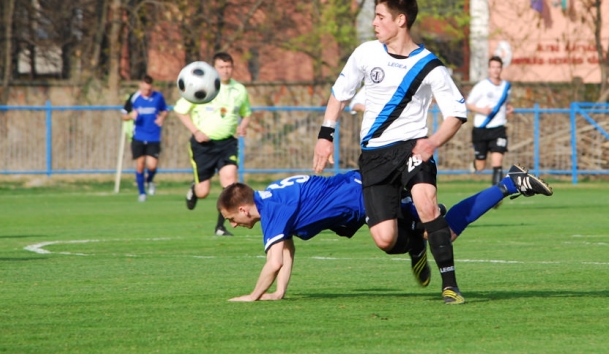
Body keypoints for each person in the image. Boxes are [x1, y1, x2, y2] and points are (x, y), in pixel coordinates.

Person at [313, 0, 469, 304]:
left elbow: (456, 114)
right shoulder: (365, 53)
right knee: (385, 238)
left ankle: (450, 285)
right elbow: (340, 94)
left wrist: (433, 141)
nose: (374, 23)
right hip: (375, 156)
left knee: (427, 203)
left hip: (413, 148)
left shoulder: (431, 66)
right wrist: (325, 136)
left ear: (400, 20)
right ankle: (415, 244)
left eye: (380, 16)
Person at [218, 165, 552, 302]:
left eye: (232, 219)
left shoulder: (272, 210)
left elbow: (274, 260)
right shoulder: (273, 197)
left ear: (244, 209)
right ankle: (508, 184)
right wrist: (278, 293)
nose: (234, 225)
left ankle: (510, 183)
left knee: (440, 233)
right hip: (361, 191)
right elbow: (287, 250)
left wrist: (252, 296)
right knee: (428, 233)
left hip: (368, 195)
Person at [175, 52, 252, 236]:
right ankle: (194, 190)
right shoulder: (202, 85)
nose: (225, 71)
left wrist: (243, 125)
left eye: (228, 67)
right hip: (204, 146)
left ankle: (220, 226)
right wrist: (196, 131)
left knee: (230, 183)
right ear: (213, 69)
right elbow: (180, 110)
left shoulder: (239, 89)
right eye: (221, 67)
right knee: (203, 191)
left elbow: (246, 112)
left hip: (227, 143)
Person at [466, 56, 514, 186]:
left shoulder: (507, 86)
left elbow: (506, 103)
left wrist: (509, 108)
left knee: (497, 162)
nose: (496, 70)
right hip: (481, 128)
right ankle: (475, 164)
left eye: (498, 67)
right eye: (493, 67)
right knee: (480, 166)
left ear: (501, 68)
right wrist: (481, 110)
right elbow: (468, 104)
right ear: (489, 69)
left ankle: (497, 194)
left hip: (499, 128)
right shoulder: (481, 86)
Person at [121, 75, 168, 202]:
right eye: (145, 89)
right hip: (139, 136)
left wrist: (162, 117)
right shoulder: (134, 98)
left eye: (149, 89)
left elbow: (165, 110)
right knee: (140, 165)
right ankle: (142, 193)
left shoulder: (158, 97)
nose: (147, 91)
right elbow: (123, 116)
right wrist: (131, 116)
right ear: (140, 85)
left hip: (154, 136)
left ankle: (149, 180)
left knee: (152, 166)